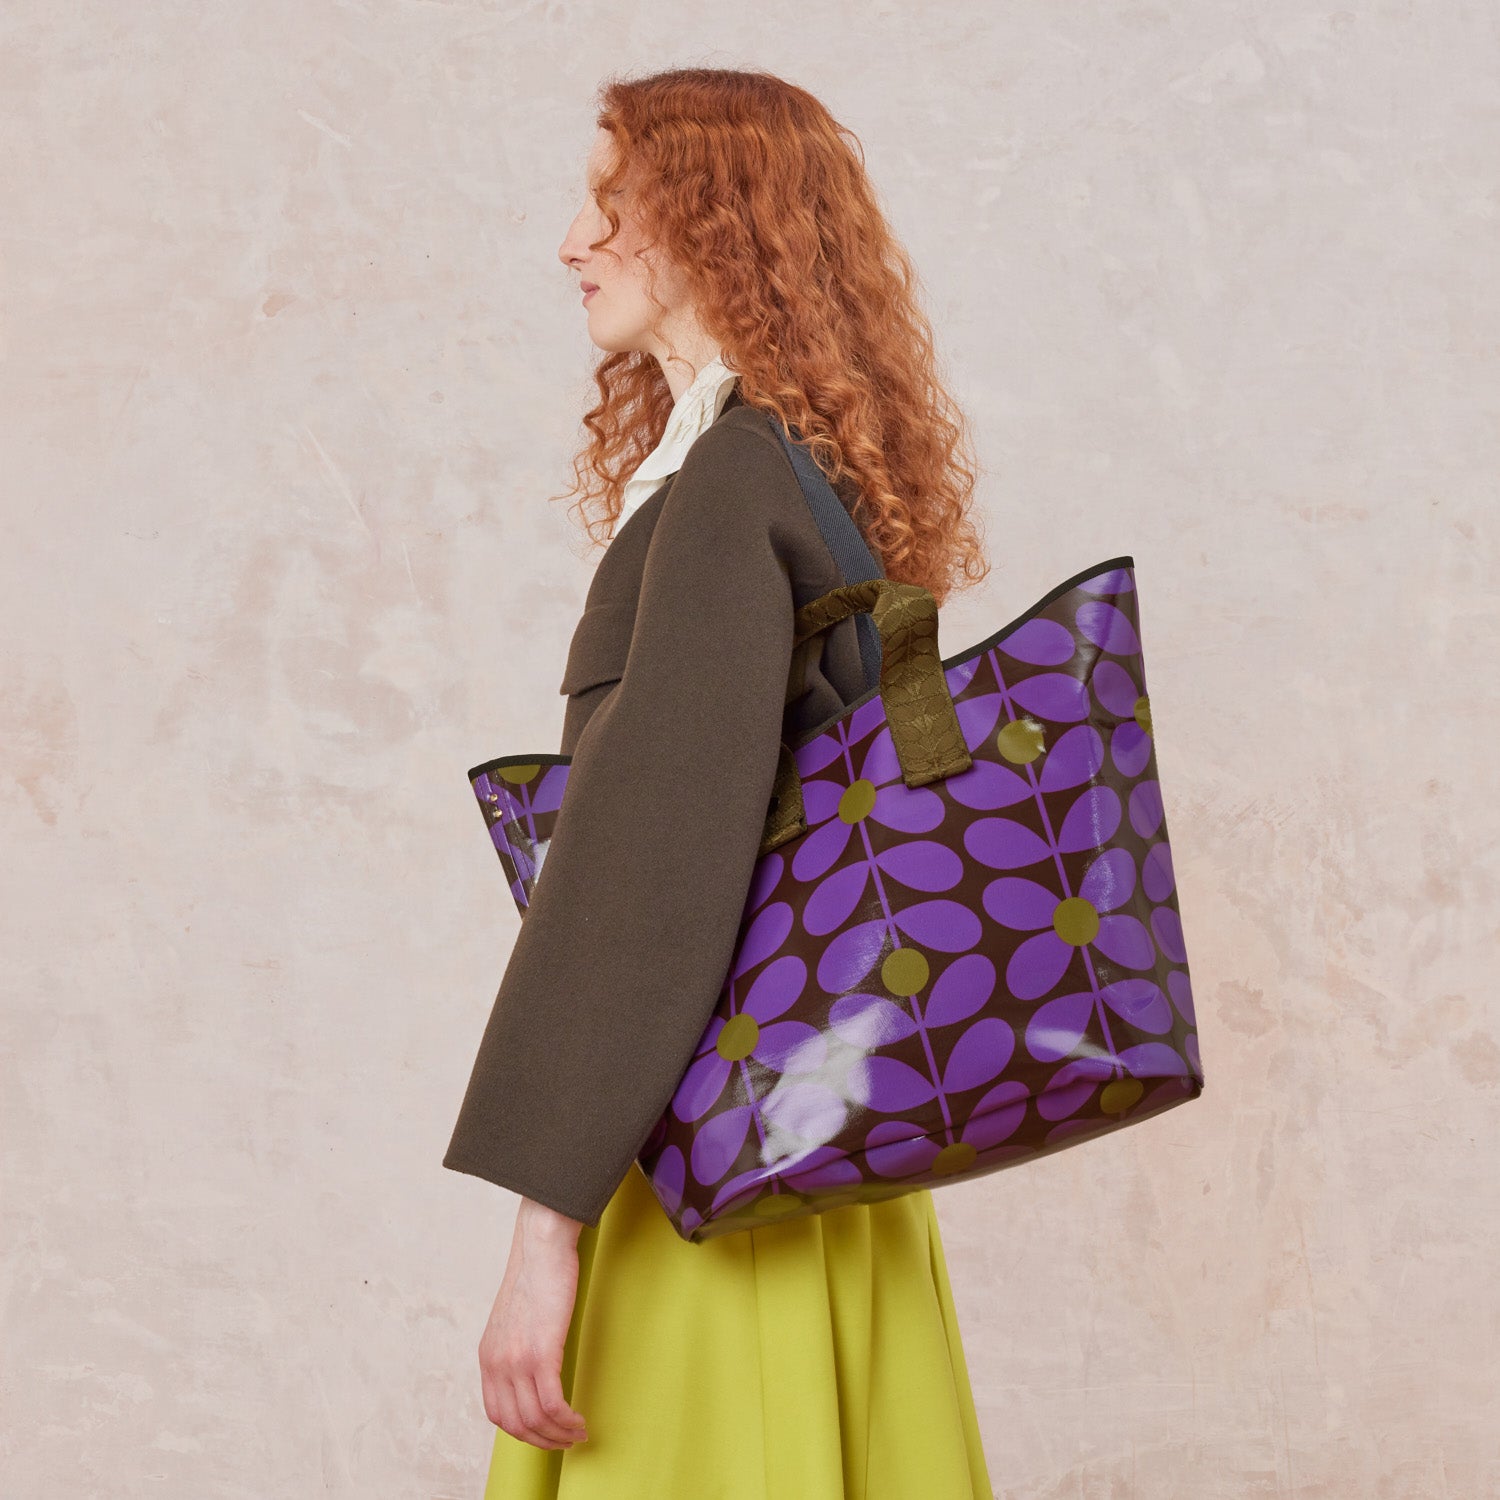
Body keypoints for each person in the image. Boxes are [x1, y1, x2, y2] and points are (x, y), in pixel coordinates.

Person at [443, 65, 994, 1500]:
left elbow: (649, 871)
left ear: (715, 227)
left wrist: (544, 1232)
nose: (571, 240)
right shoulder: (796, 473)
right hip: (829, 1161)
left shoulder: (726, 487)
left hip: (709, 1175)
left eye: (612, 204)